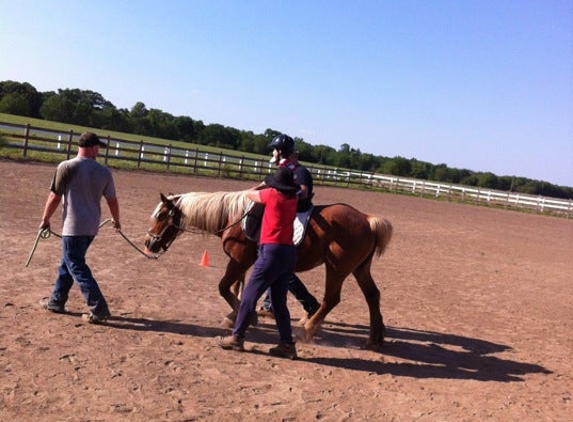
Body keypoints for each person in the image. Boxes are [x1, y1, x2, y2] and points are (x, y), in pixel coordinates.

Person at [39, 131, 121, 324]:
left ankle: (98, 307)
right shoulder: (104, 172)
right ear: (92, 148)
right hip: (91, 227)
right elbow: (112, 201)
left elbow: (55, 197)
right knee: (68, 262)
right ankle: (56, 301)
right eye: (98, 147)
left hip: (73, 227)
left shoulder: (67, 167)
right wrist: (117, 220)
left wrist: (45, 219)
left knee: (75, 265)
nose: (99, 151)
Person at [219, 167, 300, 359]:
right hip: (289, 253)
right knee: (279, 302)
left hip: (271, 251)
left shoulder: (271, 195)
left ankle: (237, 337)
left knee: (248, 297)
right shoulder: (293, 198)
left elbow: (248, 194)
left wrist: (263, 184)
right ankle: (287, 344)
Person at [258, 134, 320, 320]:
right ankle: (269, 305)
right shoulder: (283, 169)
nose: (273, 153)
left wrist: (282, 195)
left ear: (282, 152)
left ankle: (309, 304)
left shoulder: (300, 171)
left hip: (298, 215)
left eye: (275, 150)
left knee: (278, 263)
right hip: (284, 213)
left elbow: (304, 193)